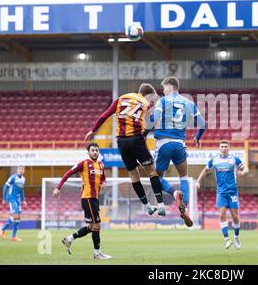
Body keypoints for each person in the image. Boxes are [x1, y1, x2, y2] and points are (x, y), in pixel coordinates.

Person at [84, 83, 165, 216]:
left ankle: (148, 206)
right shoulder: (145, 102)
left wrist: (93, 130)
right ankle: (161, 205)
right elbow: (153, 118)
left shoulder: (121, 99)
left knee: (133, 174)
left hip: (121, 141)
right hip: (136, 139)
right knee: (151, 172)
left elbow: (104, 116)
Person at [147, 76, 205, 227]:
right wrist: (197, 137)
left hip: (164, 143)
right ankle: (183, 205)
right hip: (180, 144)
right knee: (184, 176)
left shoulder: (163, 101)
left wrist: (145, 132)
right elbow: (203, 124)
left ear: (170, 86)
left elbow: (155, 118)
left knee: (156, 178)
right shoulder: (189, 103)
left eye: (164, 88)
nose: (163, 91)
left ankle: (174, 194)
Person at [53, 142, 112, 260]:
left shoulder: (100, 165)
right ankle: (97, 253)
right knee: (97, 225)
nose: (95, 152)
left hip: (95, 198)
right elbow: (68, 173)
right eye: (93, 150)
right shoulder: (84, 163)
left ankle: (69, 239)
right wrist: (58, 187)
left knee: (91, 226)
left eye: (96, 150)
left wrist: (103, 183)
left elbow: (103, 178)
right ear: (88, 152)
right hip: (87, 197)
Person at [195, 141, 248, 249]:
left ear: (229, 148)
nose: (224, 148)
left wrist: (243, 172)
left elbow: (246, 168)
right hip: (221, 192)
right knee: (222, 214)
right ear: (219, 148)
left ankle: (236, 237)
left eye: (225, 147)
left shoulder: (234, 159)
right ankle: (227, 240)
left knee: (235, 217)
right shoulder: (214, 160)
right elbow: (205, 170)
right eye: (222, 147)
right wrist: (198, 181)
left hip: (232, 192)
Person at [0, 165, 27, 241]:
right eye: (19, 169)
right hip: (11, 198)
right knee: (15, 216)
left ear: (24, 171)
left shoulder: (23, 179)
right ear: (17, 170)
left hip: (17, 200)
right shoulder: (13, 178)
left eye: (22, 169)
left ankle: (13, 236)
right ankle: (2, 229)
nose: (21, 170)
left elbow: (21, 190)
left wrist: (23, 200)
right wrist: (4, 198)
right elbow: (5, 187)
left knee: (18, 218)